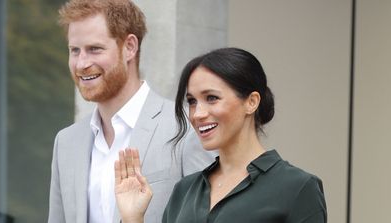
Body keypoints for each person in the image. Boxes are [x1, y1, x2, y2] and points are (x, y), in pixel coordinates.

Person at [114, 47, 327, 223]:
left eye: (212, 98)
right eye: (192, 101)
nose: (198, 114)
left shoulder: (298, 187)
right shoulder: (185, 190)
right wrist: (133, 217)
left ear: (251, 102)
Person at [47, 0, 214, 223]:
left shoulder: (186, 128)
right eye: (74, 50)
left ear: (130, 47)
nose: (81, 64)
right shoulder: (66, 142)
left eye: (94, 49)